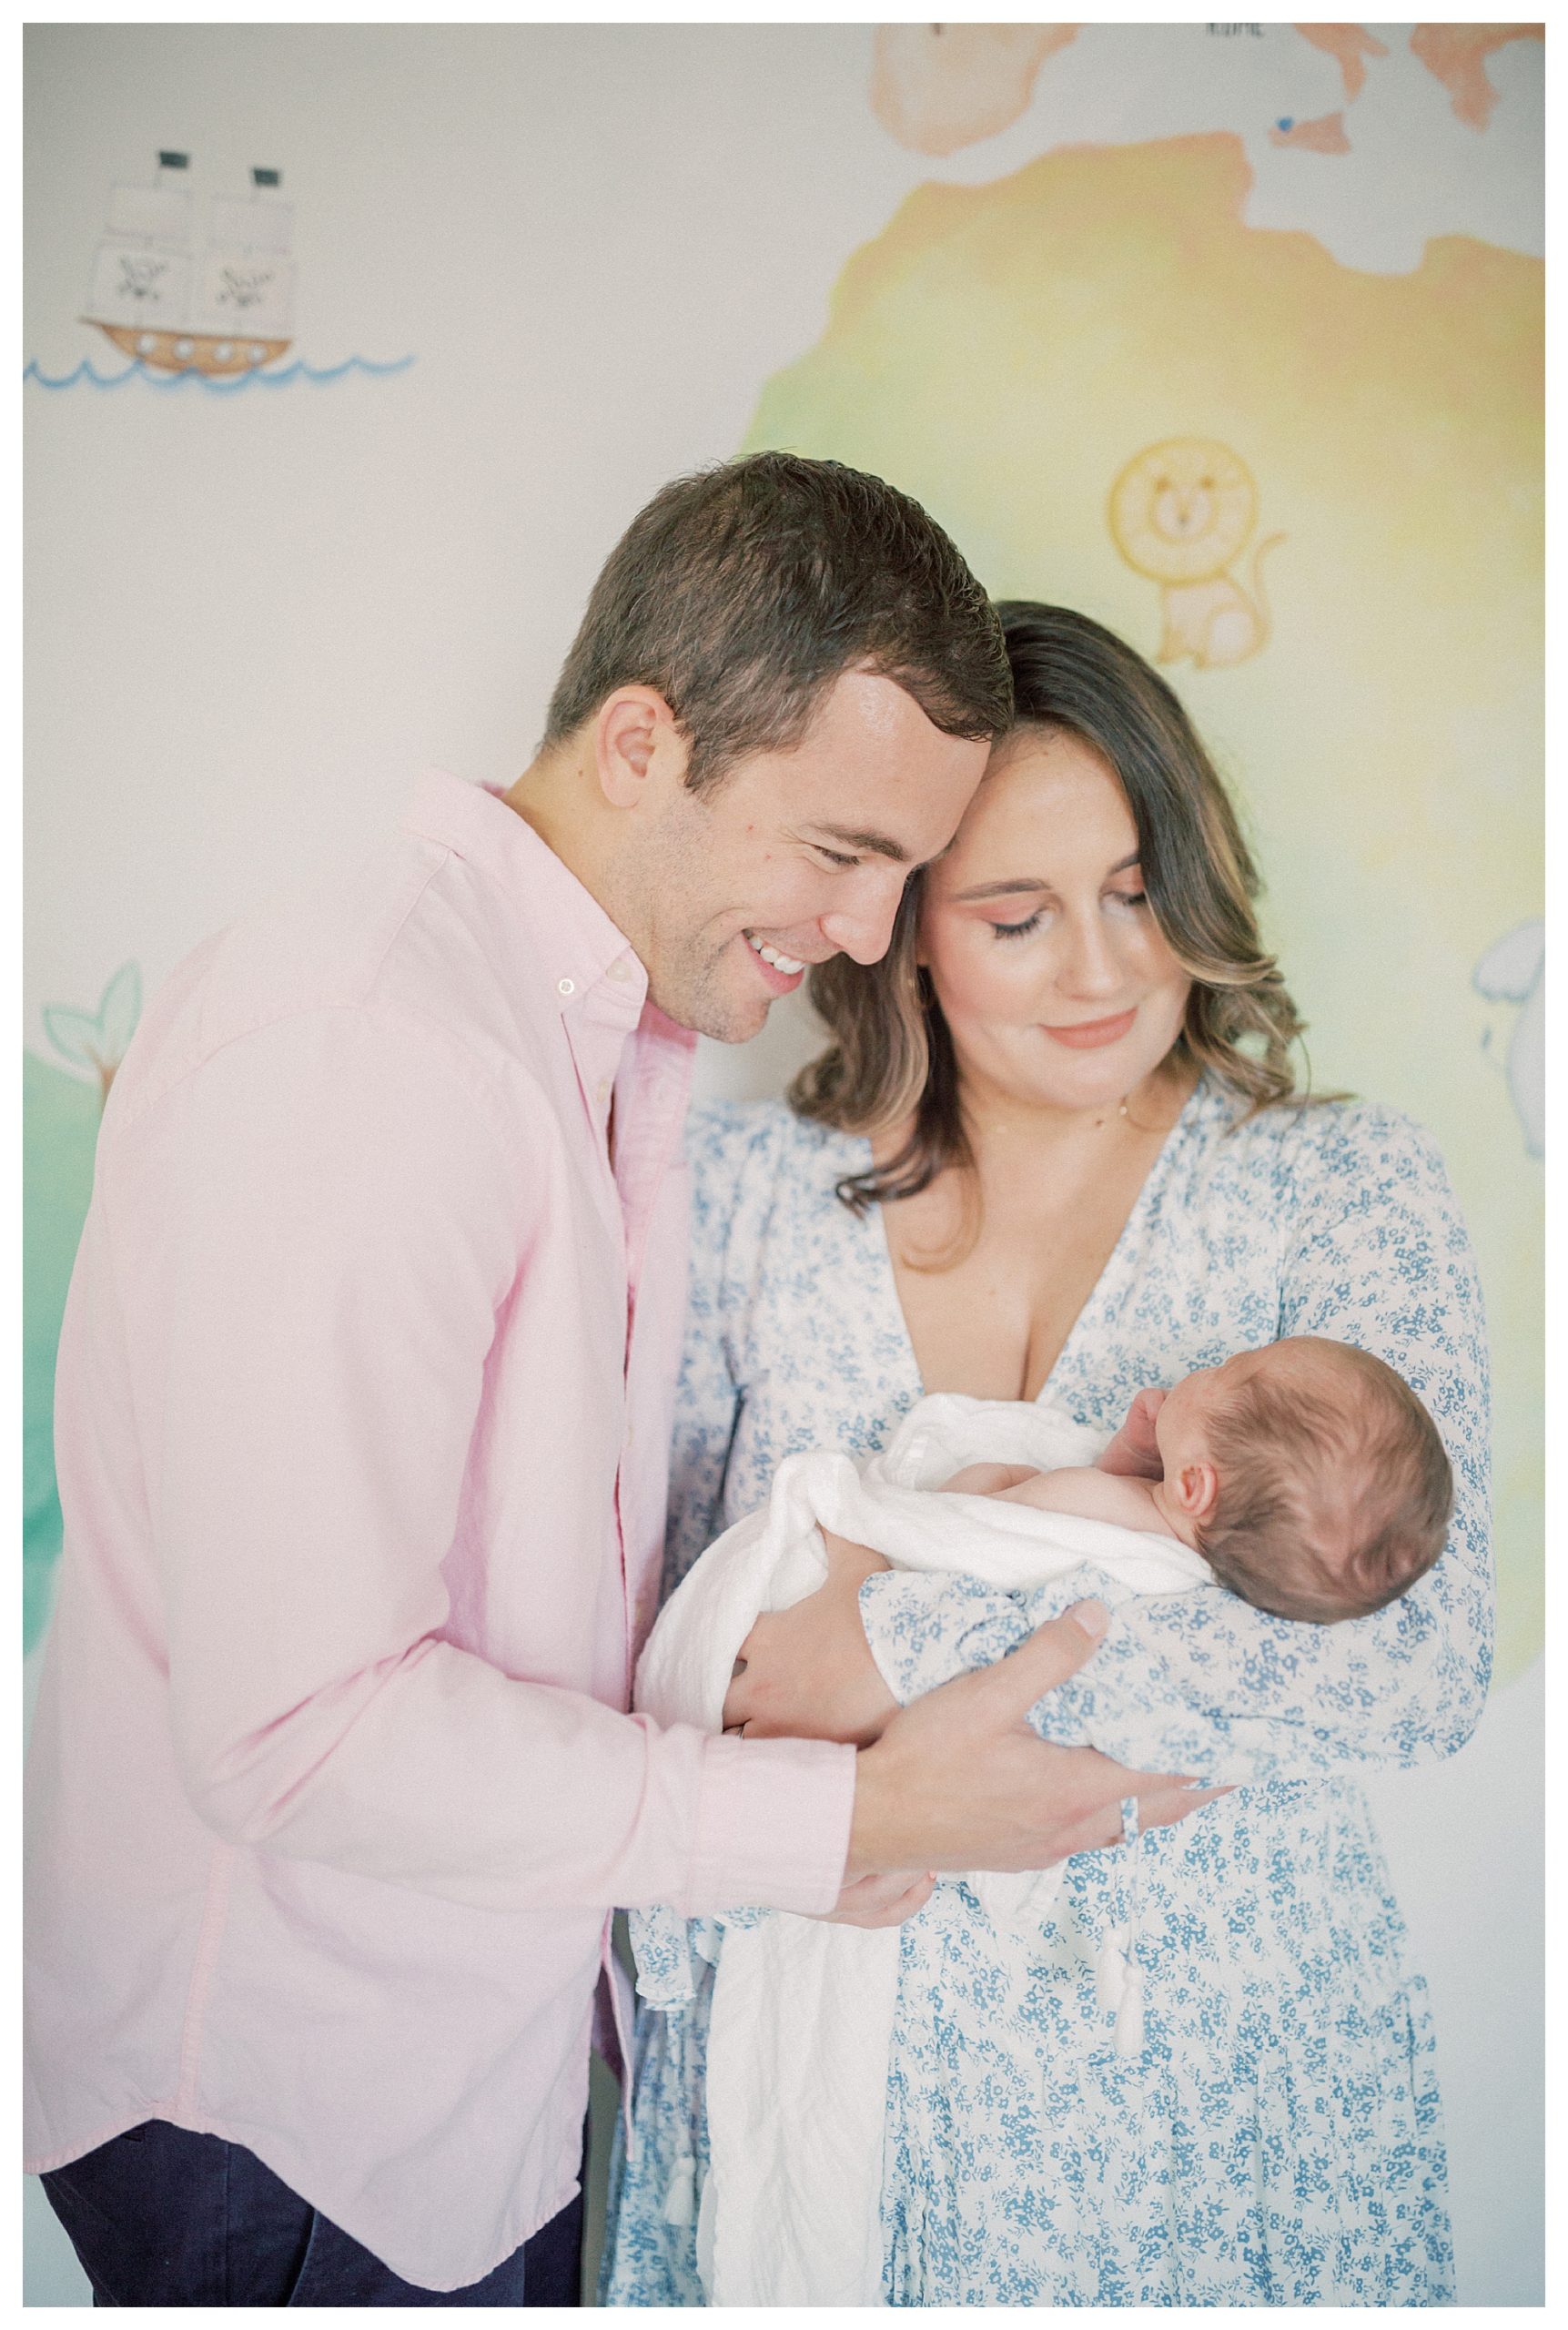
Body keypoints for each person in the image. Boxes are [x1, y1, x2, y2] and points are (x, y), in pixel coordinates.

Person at [24, 461, 1217, 2308]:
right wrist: (845, 1826)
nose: (869, 933)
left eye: (904, 874)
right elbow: (299, 1729)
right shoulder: (371, 1043)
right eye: (838, 853)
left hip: (461, 2099)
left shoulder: (601, 1045)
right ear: (644, 740)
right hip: (290, 2121)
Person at [601, 600, 1492, 2306]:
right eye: (1016, 916)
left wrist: (872, 1656)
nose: (1103, 970)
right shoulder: (747, 1207)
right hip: (815, 2083)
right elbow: (665, 1660)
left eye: (1138, 892)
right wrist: (853, 1794)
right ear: (903, 925)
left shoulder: (1335, 1189)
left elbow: (1414, 1663)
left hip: (1221, 2101)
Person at [943, 1333, 1454, 1626]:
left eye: (1227, 1369)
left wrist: (1000, 1477)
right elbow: (1132, 1509)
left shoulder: (1076, 1497)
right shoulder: (1191, 1546)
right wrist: (1139, 1452)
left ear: (1192, 1486)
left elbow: (965, 1524)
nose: (1211, 1364)